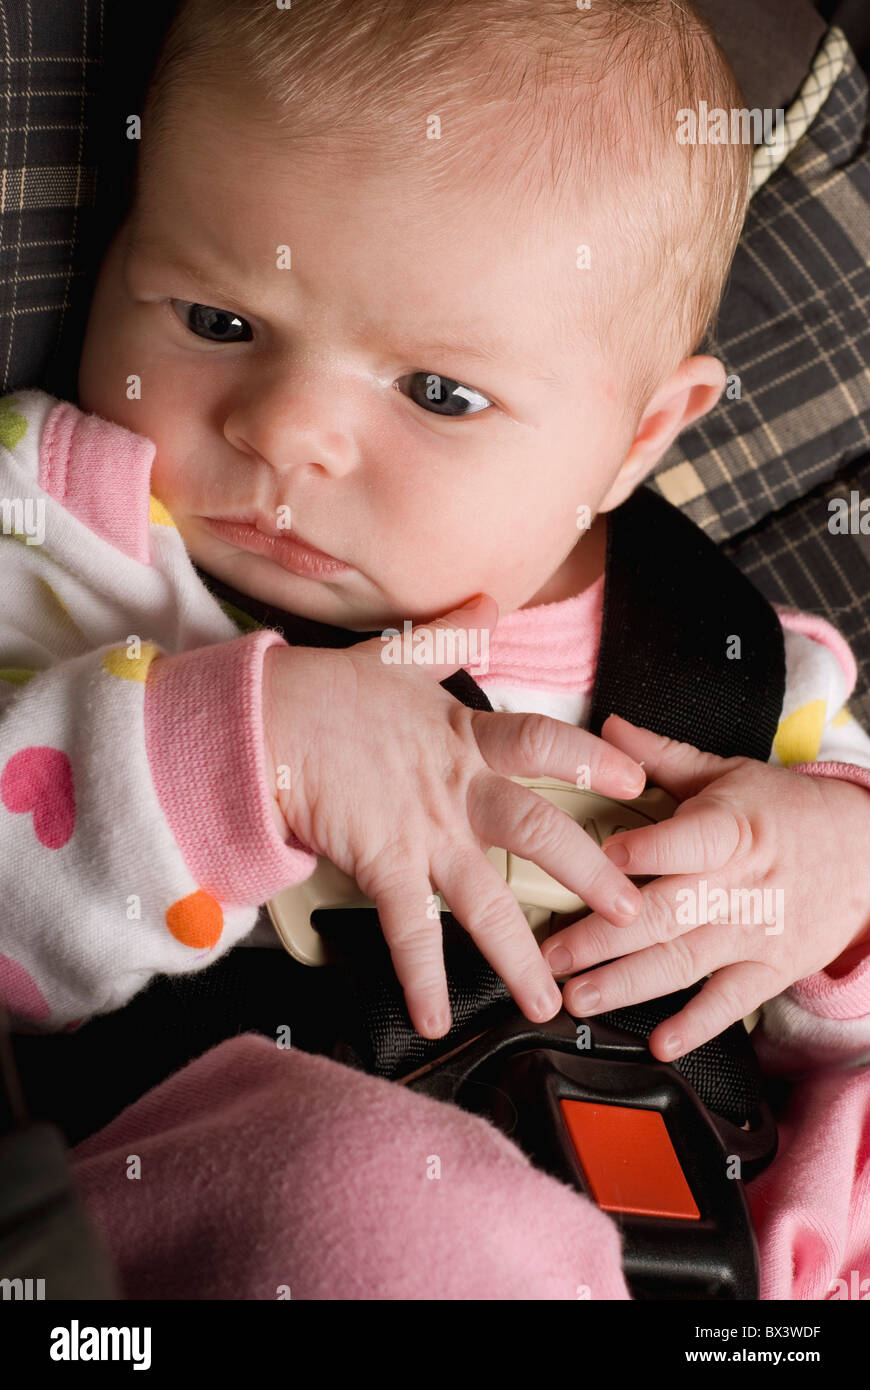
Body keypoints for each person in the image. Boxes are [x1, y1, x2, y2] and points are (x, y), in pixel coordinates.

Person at [1, 0, 869, 1299]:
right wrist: (242, 759)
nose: (286, 429)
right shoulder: (67, 542)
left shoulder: (734, 665)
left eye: (440, 393)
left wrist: (826, 887)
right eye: (216, 320)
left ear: (639, 436)